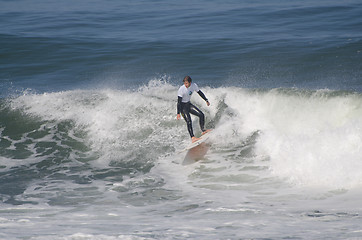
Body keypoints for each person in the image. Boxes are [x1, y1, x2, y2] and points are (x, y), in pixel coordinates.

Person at [177, 76, 210, 142]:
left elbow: (200, 93)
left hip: (188, 104)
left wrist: (206, 100)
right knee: (189, 121)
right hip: (182, 107)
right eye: (184, 83)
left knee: (201, 115)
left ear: (190, 83)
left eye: (186, 83)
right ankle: (193, 137)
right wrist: (178, 113)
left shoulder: (194, 85)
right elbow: (178, 102)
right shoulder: (181, 89)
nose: (185, 85)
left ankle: (203, 130)